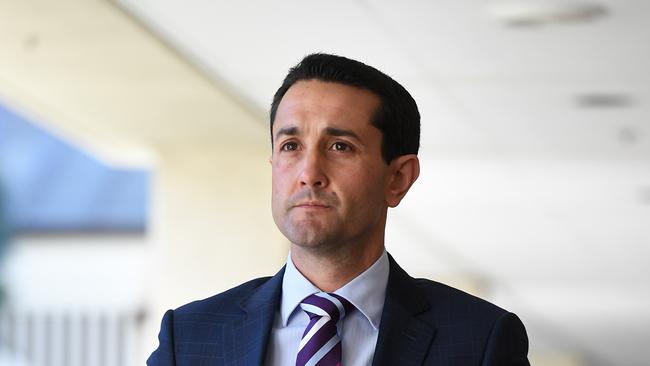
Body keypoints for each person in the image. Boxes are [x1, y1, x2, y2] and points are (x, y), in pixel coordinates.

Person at [147, 53, 530, 366]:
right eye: (291, 146)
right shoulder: (191, 338)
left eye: (340, 147)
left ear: (398, 177)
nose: (309, 174)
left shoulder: (479, 341)